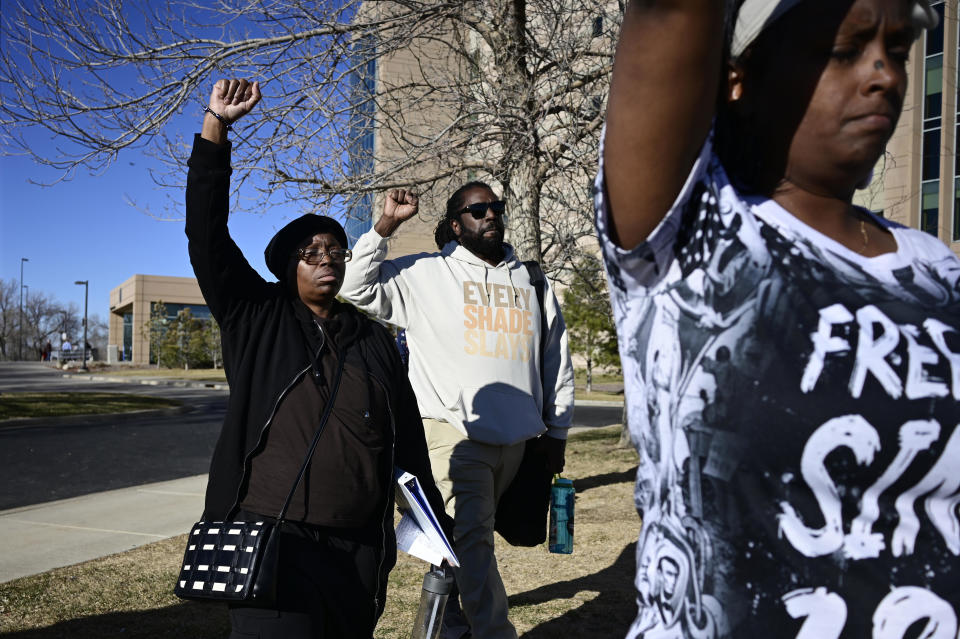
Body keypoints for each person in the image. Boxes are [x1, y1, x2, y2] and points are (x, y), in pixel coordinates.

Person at [598, 1, 959, 636]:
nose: (886, 76)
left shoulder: (937, 270)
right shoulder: (695, 238)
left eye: (897, 52)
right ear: (737, 78)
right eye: (843, 51)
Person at [185, 78, 450, 639]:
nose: (326, 259)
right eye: (311, 253)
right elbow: (206, 235)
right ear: (289, 267)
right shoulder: (255, 317)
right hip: (273, 541)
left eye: (336, 250)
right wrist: (217, 130)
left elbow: (406, 441)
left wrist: (433, 521)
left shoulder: (374, 338)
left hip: (356, 551)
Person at [339, 184, 575, 638]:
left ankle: (443, 627)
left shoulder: (532, 280)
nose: (489, 215)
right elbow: (355, 287)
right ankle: (494, 633)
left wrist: (557, 434)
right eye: (477, 209)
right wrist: (385, 226)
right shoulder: (425, 274)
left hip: (519, 441)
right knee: (473, 540)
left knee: (456, 545)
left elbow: (555, 358)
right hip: (451, 433)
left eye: (495, 208)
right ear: (455, 224)